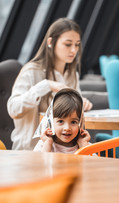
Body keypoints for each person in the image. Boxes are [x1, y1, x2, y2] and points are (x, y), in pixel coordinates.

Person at [7, 18, 92, 150]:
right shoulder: (32, 71)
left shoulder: (71, 74)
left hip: (63, 150)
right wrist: (45, 86)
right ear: (51, 42)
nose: (74, 50)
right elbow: (13, 108)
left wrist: (81, 102)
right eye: (68, 44)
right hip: (30, 150)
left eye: (77, 45)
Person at [33, 88, 90, 153]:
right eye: (60, 121)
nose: (67, 128)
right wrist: (48, 143)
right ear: (51, 122)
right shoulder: (44, 143)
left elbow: (93, 163)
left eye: (73, 122)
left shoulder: (84, 144)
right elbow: (39, 162)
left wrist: (83, 145)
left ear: (80, 123)